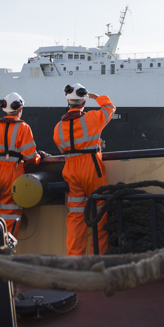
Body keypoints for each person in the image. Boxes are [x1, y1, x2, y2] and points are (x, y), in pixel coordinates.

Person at [53, 83, 116, 255]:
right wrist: (96, 97)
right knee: (99, 214)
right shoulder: (93, 118)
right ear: (84, 102)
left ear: (68, 102)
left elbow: (63, 147)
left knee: (75, 215)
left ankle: (75, 261)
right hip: (91, 168)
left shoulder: (58, 128)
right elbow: (110, 108)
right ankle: (98, 259)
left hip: (70, 171)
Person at [0, 92, 44, 235]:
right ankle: (7, 246)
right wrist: (39, 158)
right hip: (13, 173)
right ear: (20, 109)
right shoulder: (23, 128)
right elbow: (30, 156)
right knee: (10, 216)